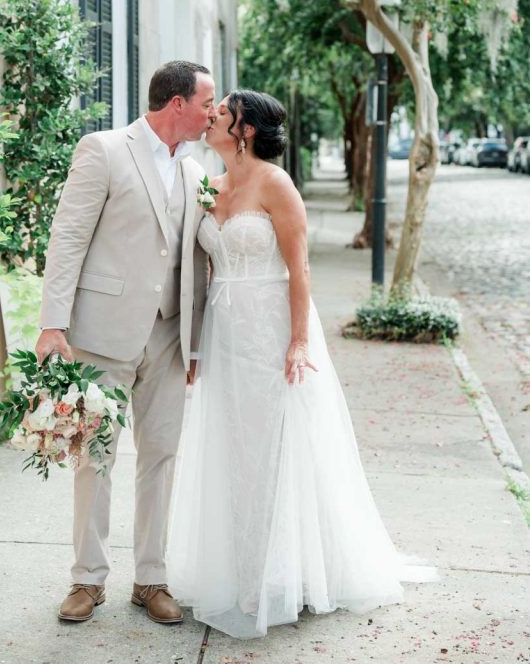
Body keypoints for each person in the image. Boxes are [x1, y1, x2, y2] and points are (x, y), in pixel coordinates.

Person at [166, 89, 405, 638]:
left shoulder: (276, 184)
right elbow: (201, 274)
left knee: (276, 450)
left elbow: (299, 272)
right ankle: (238, 567)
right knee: (234, 448)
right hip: (224, 333)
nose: (211, 117)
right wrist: (195, 345)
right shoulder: (211, 183)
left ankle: (281, 574)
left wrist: (298, 342)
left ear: (245, 128)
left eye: (221, 113)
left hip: (271, 329)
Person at [36, 61, 215, 625]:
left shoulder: (195, 171)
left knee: (160, 457)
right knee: (96, 457)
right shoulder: (105, 149)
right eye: (207, 103)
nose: (214, 113)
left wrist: (195, 343)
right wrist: (52, 322)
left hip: (168, 336)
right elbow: (68, 236)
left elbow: (196, 261)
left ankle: (151, 578)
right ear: (177, 104)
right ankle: (87, 581)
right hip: (102, 333)